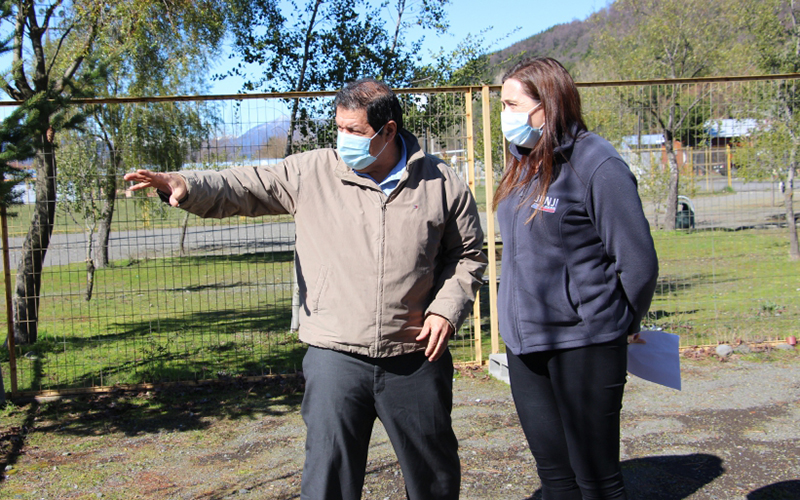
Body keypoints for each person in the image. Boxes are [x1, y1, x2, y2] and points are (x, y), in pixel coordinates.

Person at [124, 78, 487, 500]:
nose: (342, 139)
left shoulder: (441, 182)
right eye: (339, 127)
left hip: (416, 356)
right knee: (326, 481)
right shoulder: (313, 171)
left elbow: (467, 255)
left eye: (354, 131)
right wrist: (186, 186)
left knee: (434, 479)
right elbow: (246, 185)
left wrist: (446, 309)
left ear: (388, 130)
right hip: (334, 355)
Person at [494, 57, 658, 500]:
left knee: (596, 481)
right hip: (526, 344)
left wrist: (623, 320)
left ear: (547, 104)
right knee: (555, 480)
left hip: (585, 344)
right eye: (501, 103)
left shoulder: (597, 163)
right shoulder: (522, 160)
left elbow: (637, 261)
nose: (503, 115)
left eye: (511, 104)